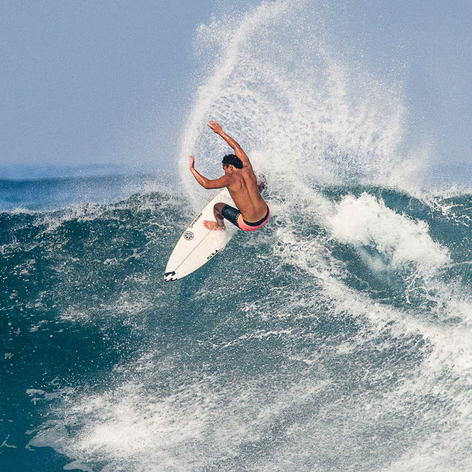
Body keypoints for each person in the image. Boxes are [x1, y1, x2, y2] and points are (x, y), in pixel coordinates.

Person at [189, 120, 269, 232]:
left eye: (224, 169)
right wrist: (221, 132)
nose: (224, 172)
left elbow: (206, 184)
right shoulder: (247, 166)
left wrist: (192, 169)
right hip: (266, 214)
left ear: (230, 167)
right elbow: (237, 147)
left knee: (217, 207)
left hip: (250, 224)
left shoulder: (229, 179)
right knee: (261, 178)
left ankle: (220, 226)